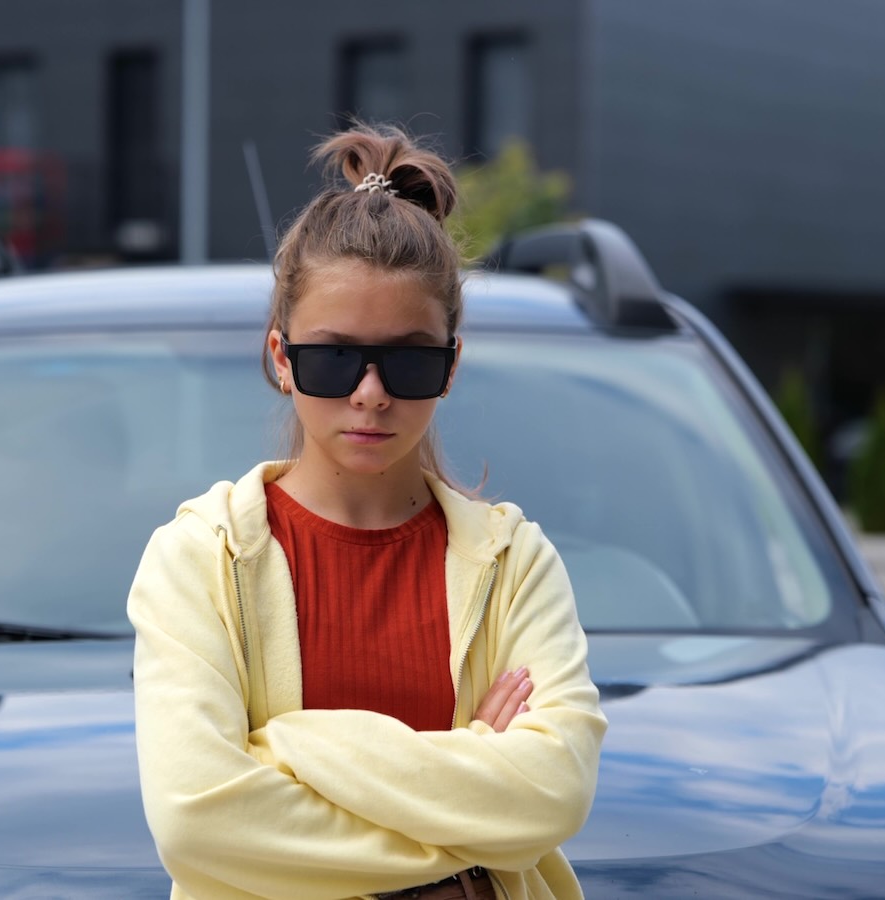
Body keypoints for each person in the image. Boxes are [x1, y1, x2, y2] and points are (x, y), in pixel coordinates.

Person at [127, 123, 607, 900]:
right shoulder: (198, 559)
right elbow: (196, 818)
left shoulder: (516, 563)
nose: (370, 392)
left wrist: (287, 749)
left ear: (450, 365)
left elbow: (550, 795)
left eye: (409, 360)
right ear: (281, 358)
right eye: (334, 358)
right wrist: (472, 802)